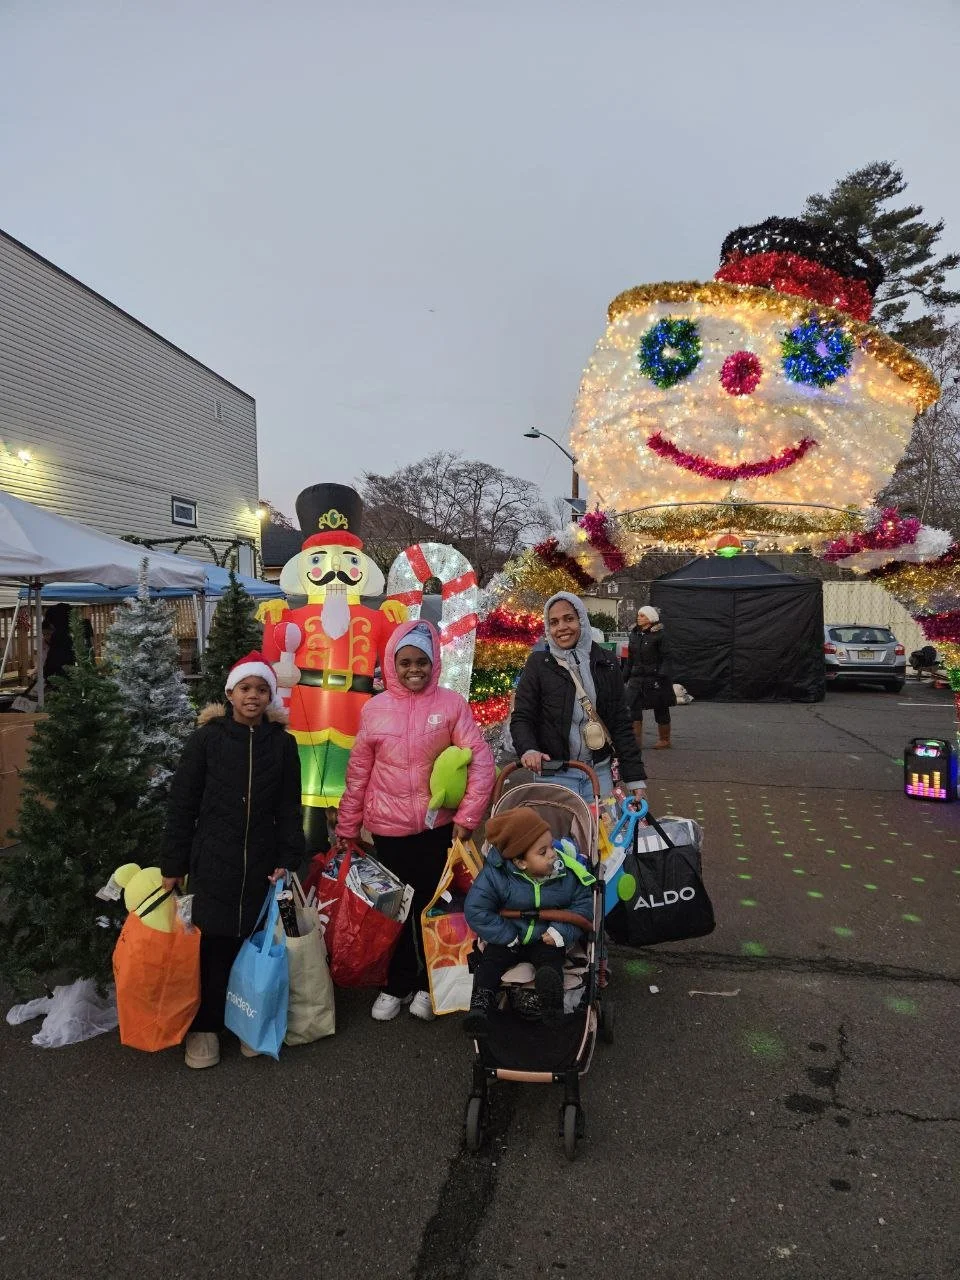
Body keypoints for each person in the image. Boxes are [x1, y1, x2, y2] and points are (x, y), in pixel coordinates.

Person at [336, 619, 495, 1023]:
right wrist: (347, 826)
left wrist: (467, 816)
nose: (413, 670)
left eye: (421, 661)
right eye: (405, 662)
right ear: (391, 662)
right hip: (388, 833)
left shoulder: (450, 705)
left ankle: (429, 982)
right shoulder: (374, 709)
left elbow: (480, 761)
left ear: (434, 662)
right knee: (393, 909)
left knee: (432, 905)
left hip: (436, 829)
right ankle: (397, 982)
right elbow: (359, 773)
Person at [162, 652, 305, 1070]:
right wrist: (174, 863)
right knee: (213, 946)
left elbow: (288, 806)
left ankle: (247, 1020)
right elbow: (182, 804)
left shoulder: (282, 744)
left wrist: (287, 856)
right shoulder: (206, 740)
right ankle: (205, 1026)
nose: (254, 696)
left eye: (262, 689)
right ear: (230, 692)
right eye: (246, 688)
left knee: (252, 946)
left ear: (271, 695)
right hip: (213, 861)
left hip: (261, 864)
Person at [462, 806, 595, 1035]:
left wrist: (560, 931)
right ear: (520, 862)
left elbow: (583, 905)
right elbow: (476, 908)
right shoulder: (496, 876)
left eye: (551, 846)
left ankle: (551, 1005)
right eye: (543, 852)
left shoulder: (564, 873)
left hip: (545, 936)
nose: (553, 855)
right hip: (510, 935)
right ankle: (480, 1006)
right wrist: (506, 934)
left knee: (551, 961)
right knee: (490, 962)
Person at [510, 592, 646, 803]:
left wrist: (635, 778)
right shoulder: (539, 664)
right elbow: (522, 716)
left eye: (569, 619)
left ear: (582, 620)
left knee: (600, 834)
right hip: (554, 774)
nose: (562, 627)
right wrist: (528, 749)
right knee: (557, 836)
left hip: (599, 774)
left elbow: (620, 722)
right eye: (553, 622)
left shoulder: (606, 662)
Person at [623, 605, 674, 750]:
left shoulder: (660, 635)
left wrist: (662, 675)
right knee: (632, 708)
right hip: (636, 678)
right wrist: (623, 677)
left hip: (655, 678)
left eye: (642, 615)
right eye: (638, 615)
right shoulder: (633, 635)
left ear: (650, 618)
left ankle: (665, 740)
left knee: (661, 707)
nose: (638, 618)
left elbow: (667, 657)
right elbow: (630, 659)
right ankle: (635, 742)